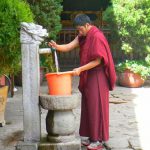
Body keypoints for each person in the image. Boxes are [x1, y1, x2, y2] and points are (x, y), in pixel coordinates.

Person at [48, 14, 116, 150]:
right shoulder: (83, 36)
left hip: (98, 77)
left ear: (87, 25)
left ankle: (98, 141)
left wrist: (80, 69)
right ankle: (90, 137)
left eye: (80, 29)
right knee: (89, 106)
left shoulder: (97, 36)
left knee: (96, 107)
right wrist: (56, 46)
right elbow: (68, 46)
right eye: (77, 30)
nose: (79, 33)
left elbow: (98, 60)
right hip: (89, 76)